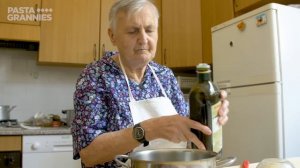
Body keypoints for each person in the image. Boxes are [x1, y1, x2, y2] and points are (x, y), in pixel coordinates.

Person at [72, 0, 229, 167]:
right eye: (133, 31)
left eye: (149, 30)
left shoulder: (164, 75)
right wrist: (150, 129)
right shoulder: (95, 76)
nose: (143, 39)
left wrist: (210, 117)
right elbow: (89, 153)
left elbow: (188, 133)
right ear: (112, 36)